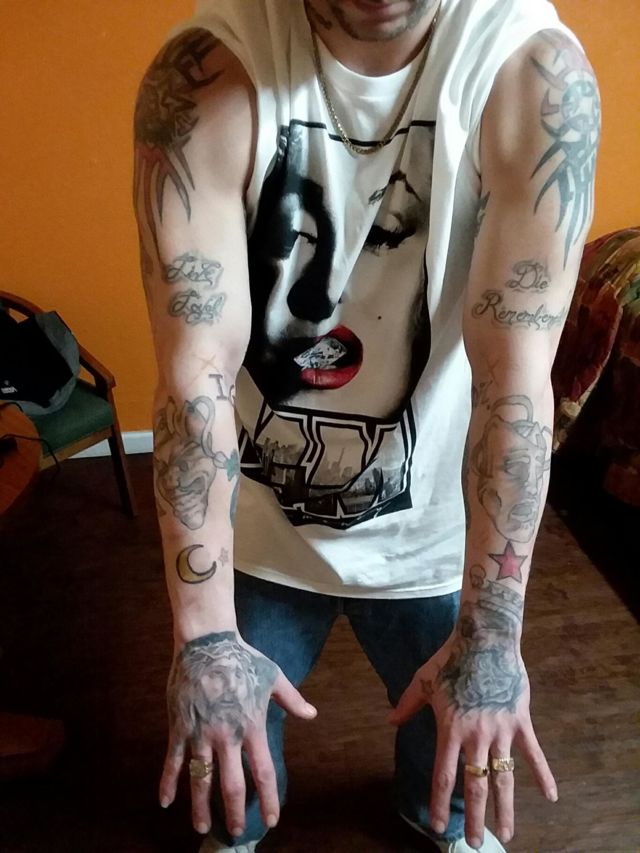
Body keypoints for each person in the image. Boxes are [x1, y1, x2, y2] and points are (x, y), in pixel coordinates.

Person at [133, 0, 600, 850]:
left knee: (449, 795)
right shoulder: (207, 73)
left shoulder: (531, 75)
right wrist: (203, 635)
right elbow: (193, 372)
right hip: (257, 528)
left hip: (435, 529)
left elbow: (515, 377)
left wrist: (492, 636)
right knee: (228, 789)